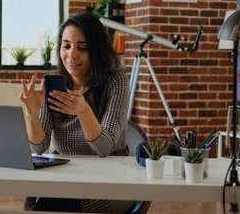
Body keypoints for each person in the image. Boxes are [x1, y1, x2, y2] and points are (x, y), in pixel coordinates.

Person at [20, 12, 146, 213]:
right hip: (65, 180)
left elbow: (104, 149)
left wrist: (84, 111)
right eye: (66, 45)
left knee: (49, 207)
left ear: (96, 50)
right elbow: (39, 147)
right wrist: (32, 113)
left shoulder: (116, 82)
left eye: (82, 47)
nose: (71, 55)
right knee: (50, 204)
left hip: (110, 184)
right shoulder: (55, 85)